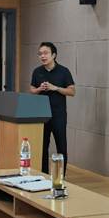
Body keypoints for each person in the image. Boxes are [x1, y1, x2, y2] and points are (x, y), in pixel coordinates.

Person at [29, 42, 75, 173]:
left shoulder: (64, 71)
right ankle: (43, 174)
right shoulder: (37, 71)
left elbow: (72, 91)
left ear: (54, 55)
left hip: (58, 115)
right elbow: (31, 89)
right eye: (40, 54)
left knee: (61, 146)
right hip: (41, 115)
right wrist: (39, 89)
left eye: (45, 53)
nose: (42, 56)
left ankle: (61, 176)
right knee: (42, 146)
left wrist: (55, 88)